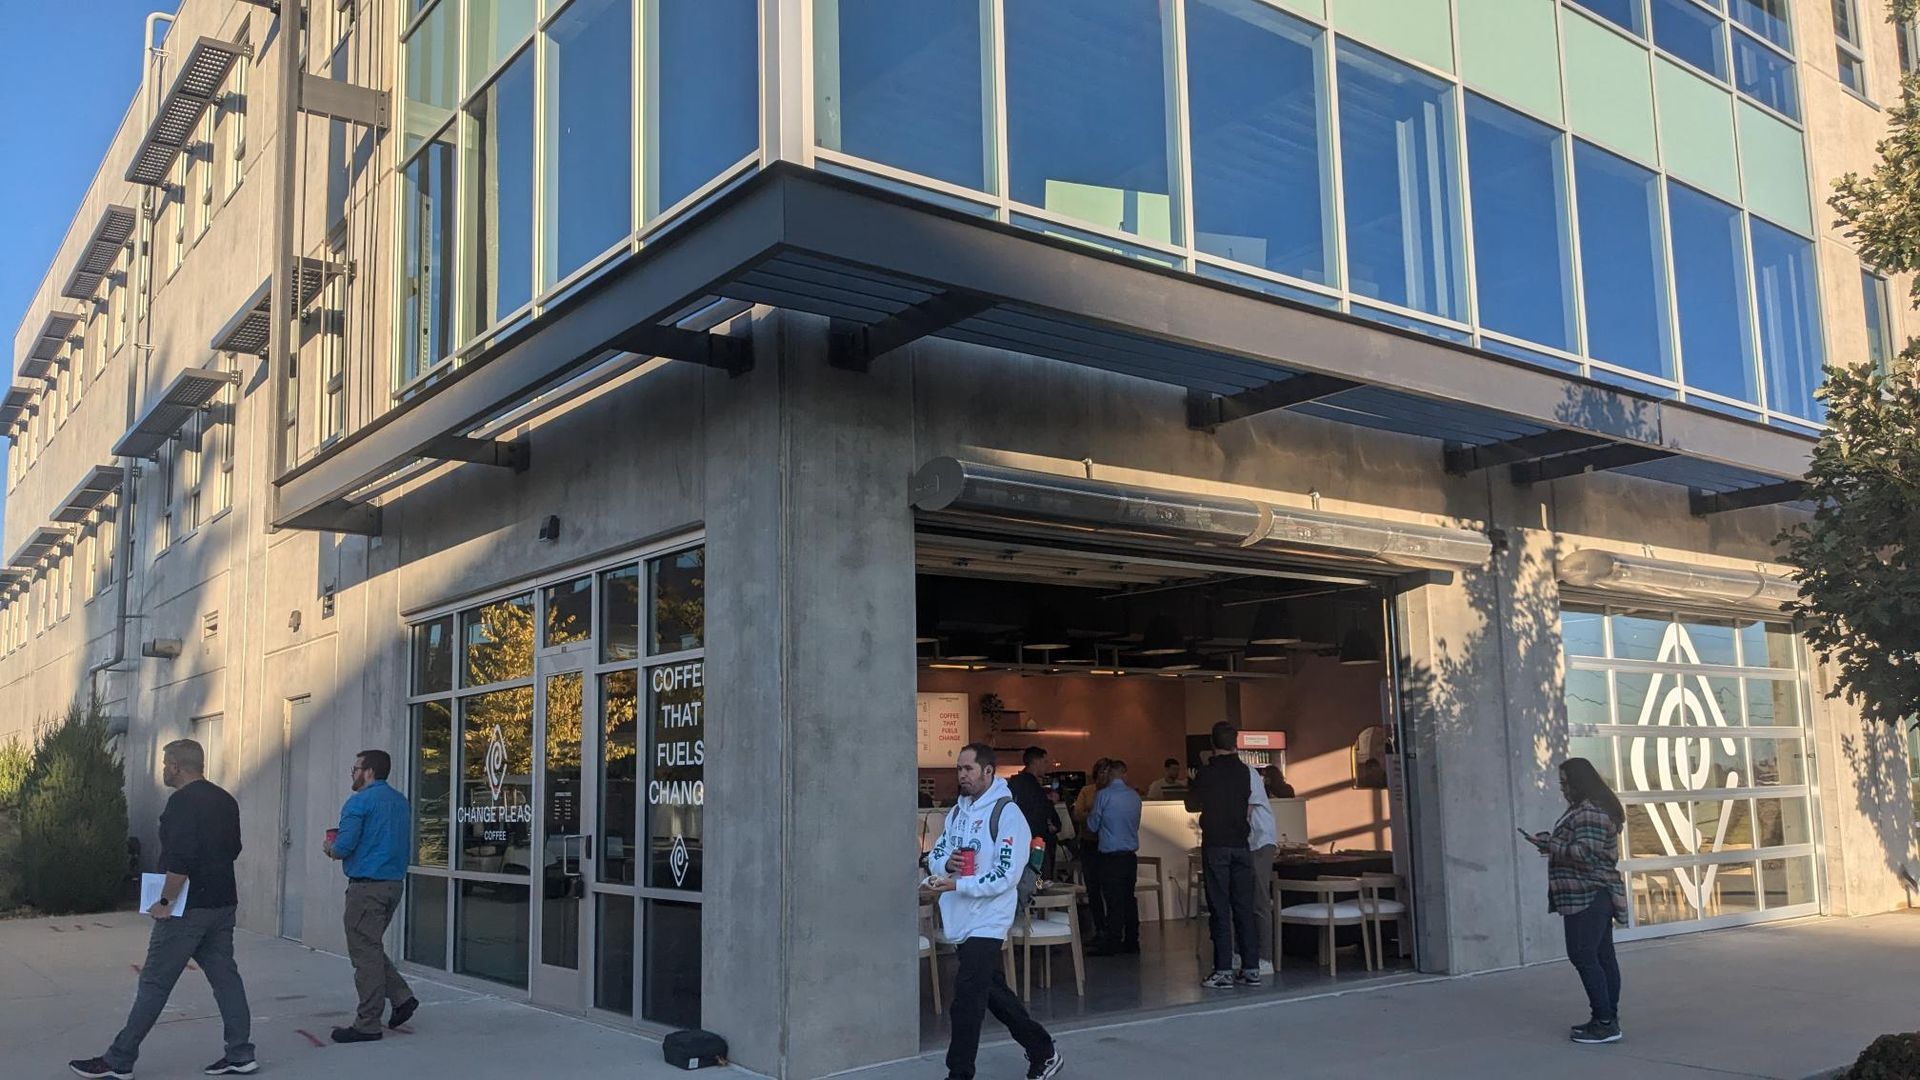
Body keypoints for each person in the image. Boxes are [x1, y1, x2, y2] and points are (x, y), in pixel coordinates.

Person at [69, 740, 256, 1079]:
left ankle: (119, 1060)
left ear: (176, 766)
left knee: (154, 983)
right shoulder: (225, 800)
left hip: (187, 909)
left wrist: (166, 902)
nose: (163, 770)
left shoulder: (181, 804)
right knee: (226, 979)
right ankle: (241, 1054)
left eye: (165, 763)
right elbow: (234, 848)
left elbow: (181, 858)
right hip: (222, 904)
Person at [924, 743, 1063, 1080]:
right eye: (959, 769)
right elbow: (936, 854)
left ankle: (959, 1073)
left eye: (968, 769)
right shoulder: (957, 813)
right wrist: (946, 863)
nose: (962, 775)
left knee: (967, 999)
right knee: (991, 991)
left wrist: (958, 886)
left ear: (988, 771)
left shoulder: (1008, 814)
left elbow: (1005, 875)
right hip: (961, 916)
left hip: (989, 918)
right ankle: (1043, 1050)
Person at [1524, 757, 1627, 1045]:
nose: (1563, 789)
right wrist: (1552, 842)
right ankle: (1607, 1018)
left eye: (1565, 783)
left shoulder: (1590, 813)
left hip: (1588, 894)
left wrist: (1549, 844)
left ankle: (1605, 1021)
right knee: (1601, 955)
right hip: (1590, 893)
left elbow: (1586, 854)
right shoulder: (1584, 810)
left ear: (1579, 783)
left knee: (1583, 954)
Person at [324, 750, 419, 1044]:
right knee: (370, 948)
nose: (352, 773)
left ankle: (367, 1023)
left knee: (364, 956)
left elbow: (343, 847)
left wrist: (329, 846)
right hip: (393, 884)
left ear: (369, 771)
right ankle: (402, 998)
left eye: (355, 768)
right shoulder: (400, 802)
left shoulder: (359, 803)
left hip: (366, 888)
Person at [1186, 722, 1261, 988]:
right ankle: (1251, 967)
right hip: (1241, 844)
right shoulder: (1245, 772)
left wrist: (1197, 773)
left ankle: (1223, 970)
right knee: (1244, 907)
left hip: (1216, 844)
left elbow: (1191, 804)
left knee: (1220, 908)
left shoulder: (1208, 772)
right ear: (1236, 743)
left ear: (1212, 743)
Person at [1085, 759, 1142, 955]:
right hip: (1130, 856)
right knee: (1128, 898)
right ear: (1124, 774)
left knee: (1113, 899)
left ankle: (1113, 941)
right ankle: (1132, 940)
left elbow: (1092, 825)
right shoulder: (1135, 796)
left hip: (1110, 857)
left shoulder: (1103, 795)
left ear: (1110, 774)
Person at [1074, 759, 1112, 943]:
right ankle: (1099, 928)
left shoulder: (1114, 793)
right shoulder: (1087, 791)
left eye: (1107, 772)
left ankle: (1111, 929)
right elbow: (1077, 813)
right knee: (1093, 888)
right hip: (1089, 842)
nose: (1104, 775)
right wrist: (1094, 816)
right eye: (1101, 771)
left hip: (1108, 845)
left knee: (1110, 888)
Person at [1246, 759, 1277, 974]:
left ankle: (1265, 958)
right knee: (1243, 901)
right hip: (1247, 842)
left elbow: (1245, 811)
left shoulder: (1247, 774)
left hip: (1259, 840)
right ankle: (1242, 954)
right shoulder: (1239, 773)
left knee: (1259, 899)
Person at [1005, 746, 1058, 875]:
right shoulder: (1032, 786)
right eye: (1045, 762)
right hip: (1036, 842)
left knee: (1024, 878)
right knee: (1038, 876)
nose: (1047, 766)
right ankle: (1037, 890)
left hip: (1017, 841)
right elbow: (1040, 811)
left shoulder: (1014, 783)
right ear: (1036, 762)